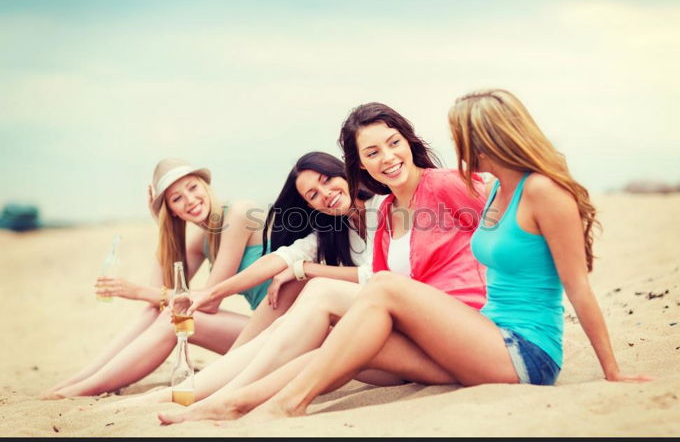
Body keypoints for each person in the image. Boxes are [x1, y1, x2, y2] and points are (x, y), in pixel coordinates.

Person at [218, 89, 650, 422]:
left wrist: (611, 370)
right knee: (343, 347)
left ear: (496, 137)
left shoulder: (538, 191)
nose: (461, 149)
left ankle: (290, 405)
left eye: (467, 138)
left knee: (381, 288)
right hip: (480, 335)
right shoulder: (497, 190)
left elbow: (577, 285)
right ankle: (233, 402)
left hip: (526, 353)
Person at [156, 102, 488, 424]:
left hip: (463, 331)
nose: (386, 158)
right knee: (324, 345)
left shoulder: (434, 187)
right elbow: (281, 259)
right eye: (372, 153)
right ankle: (220, 398)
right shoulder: (388, 211)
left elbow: (505, 212)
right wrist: (208, 295)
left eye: (393, 143)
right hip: (421, 338)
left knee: (320, 293)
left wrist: (306, 270)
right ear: (359, 163)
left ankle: (221, 395)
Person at [99, 150, 387, 408]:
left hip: (332, 325)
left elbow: (377, 275)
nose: (325, 193)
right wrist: (161, 226)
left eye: (327, 180)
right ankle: (84, 385)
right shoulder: (331, 228)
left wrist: (305, 270)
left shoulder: (381, 207)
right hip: (292, 326)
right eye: (312, 194)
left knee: (303, 306)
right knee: (170, 318)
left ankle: (209, 391)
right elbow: (283, 257)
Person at [41, 158, 270, 398]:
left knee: (174, 319)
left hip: (285, 331)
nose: (190, 200)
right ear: (172, 211)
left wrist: (136, 291)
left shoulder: (238, 214)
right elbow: (158, 297)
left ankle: (85, 388)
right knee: (159, 311)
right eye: (177, 198)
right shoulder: (202, 237)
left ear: (205, 186)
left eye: (192, 187)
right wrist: (162, 226)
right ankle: (80, 380)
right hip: (259, 331)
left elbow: (209, 301)